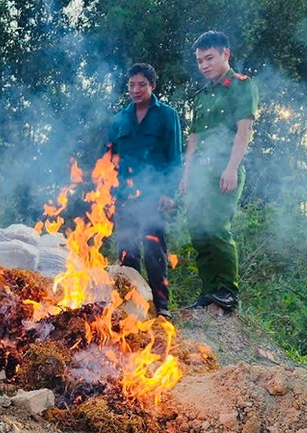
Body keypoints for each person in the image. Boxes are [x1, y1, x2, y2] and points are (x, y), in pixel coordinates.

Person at [180, 31, 259, 312]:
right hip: (200, 174)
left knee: (216, 228)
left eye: (209, 58)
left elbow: (244, 130)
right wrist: (186, 175)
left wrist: (231, 168)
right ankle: (209, 291)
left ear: (226, 54)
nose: (203, 65)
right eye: (199, 60)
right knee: (198, 231)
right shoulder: (202, 96)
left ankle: (227, 291)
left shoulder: (240, 86)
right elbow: (194, 139)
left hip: (224, 170)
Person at [107, 63, 182, 319]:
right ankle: (133, 306)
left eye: (141, 84)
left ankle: (161, 307)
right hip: (123, 196)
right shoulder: (119, 119)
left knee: (154, 250)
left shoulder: (167, 115)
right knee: (127, 252)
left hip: (153, 194)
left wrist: (169, 192)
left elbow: (174, 157)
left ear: (152, 85)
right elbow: (109, 159)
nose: (135, 90)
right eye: (131, 85)